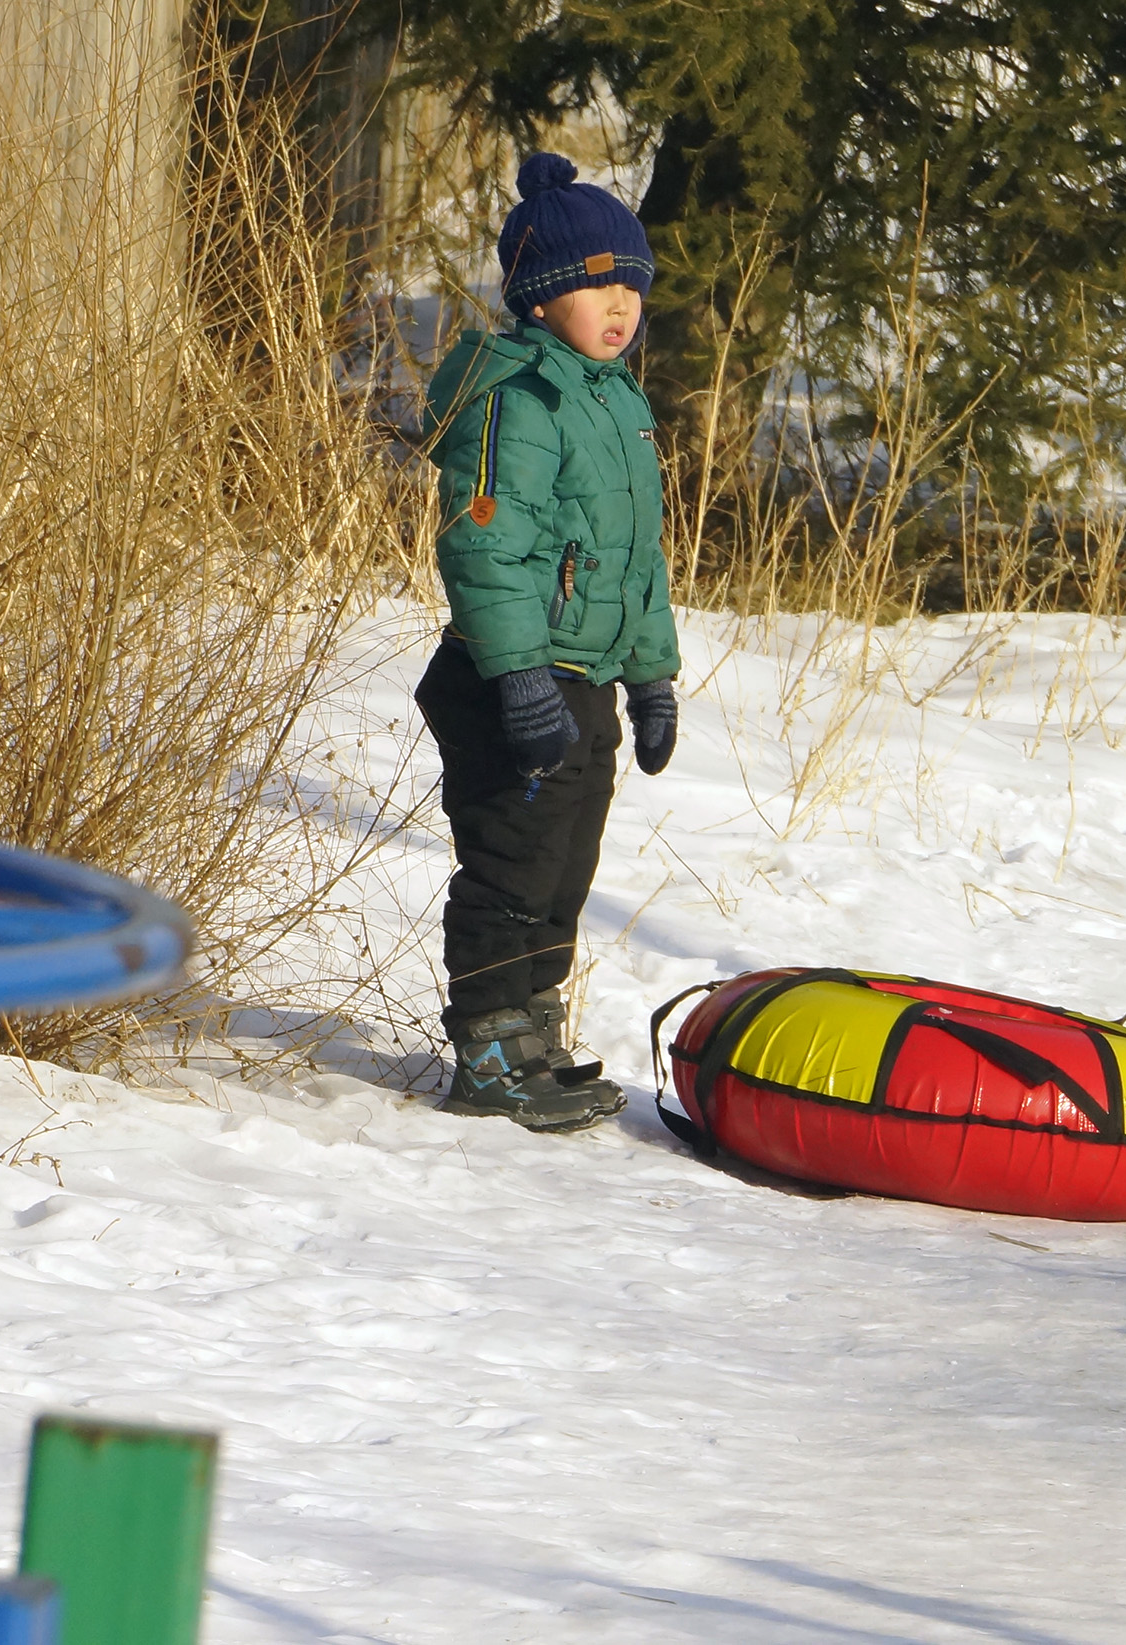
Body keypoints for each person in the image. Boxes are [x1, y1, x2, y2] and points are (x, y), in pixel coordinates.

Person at [413, 152, 680, 1133]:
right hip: (506, 678)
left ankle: (531, 1026)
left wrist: (650, 677)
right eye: (593, 287)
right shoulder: (514, 398)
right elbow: (486, 545)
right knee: (512, 861)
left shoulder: (613, 398)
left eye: (631, 287)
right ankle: (487, 1042)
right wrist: (518, 673)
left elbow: (633, 558)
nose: (619, 307)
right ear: (538, 298)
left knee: (564, 867)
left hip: (587, 681)